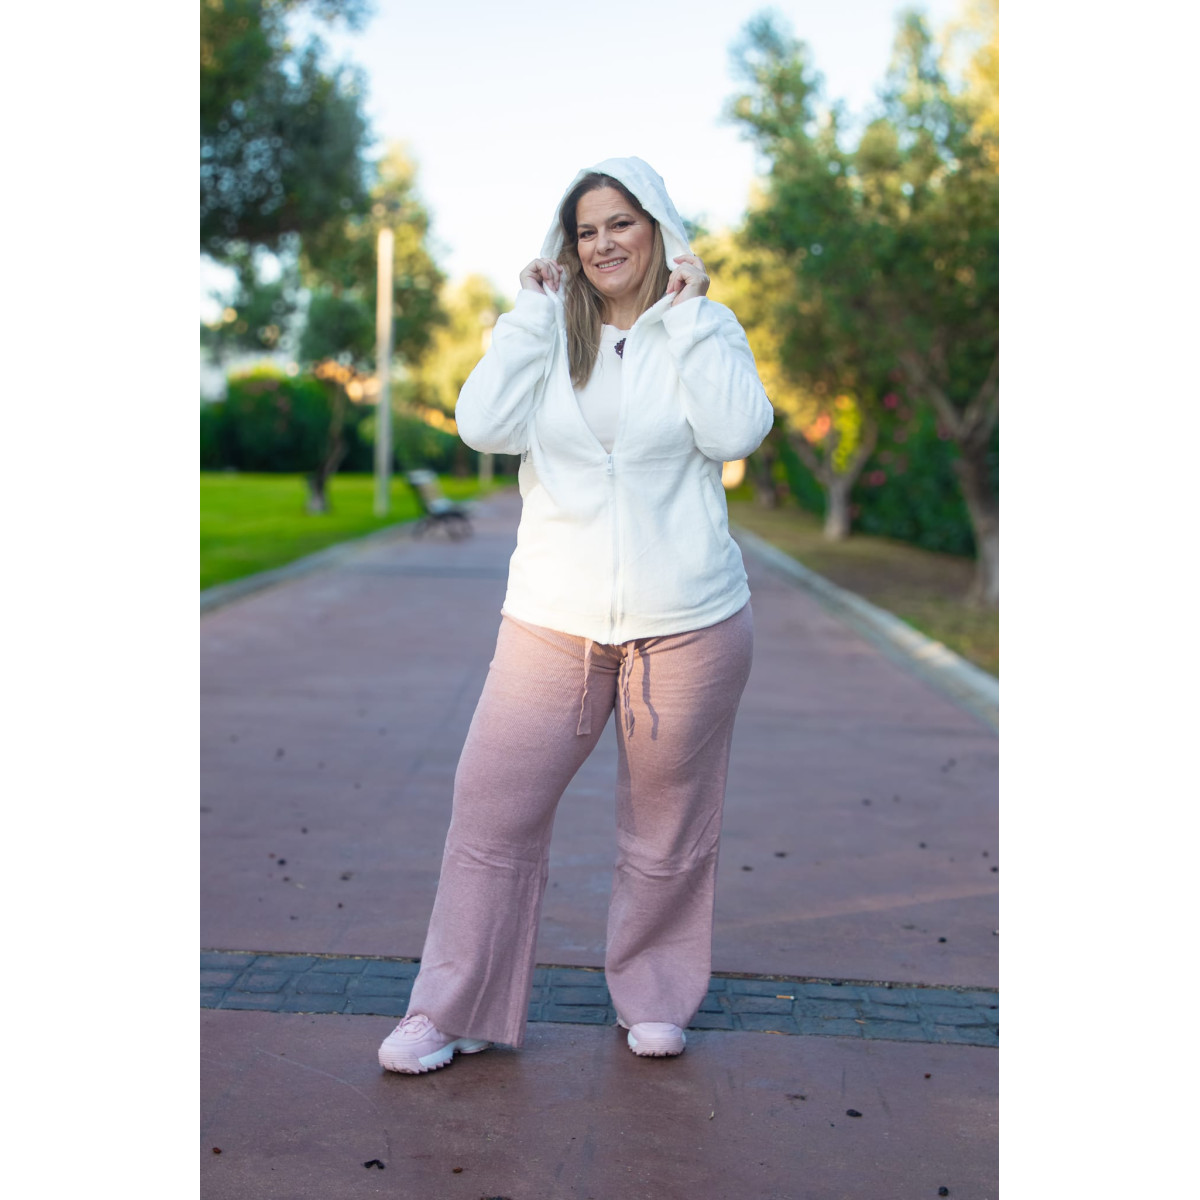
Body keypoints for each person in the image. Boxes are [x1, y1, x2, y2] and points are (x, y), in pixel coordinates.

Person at [378, 156, 774, 1074]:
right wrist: (527, 315)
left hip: (690, 619)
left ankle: (656, 997)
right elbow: (482, 425)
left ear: (658, 230)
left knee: (667, 828)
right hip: (552, 619)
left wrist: (689, 318)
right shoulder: (548, 333)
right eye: (586, 230)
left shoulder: (707, 329)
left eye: (621, 223)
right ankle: (449, 1010)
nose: (603, 244)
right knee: (490, 812)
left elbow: (736, 433)